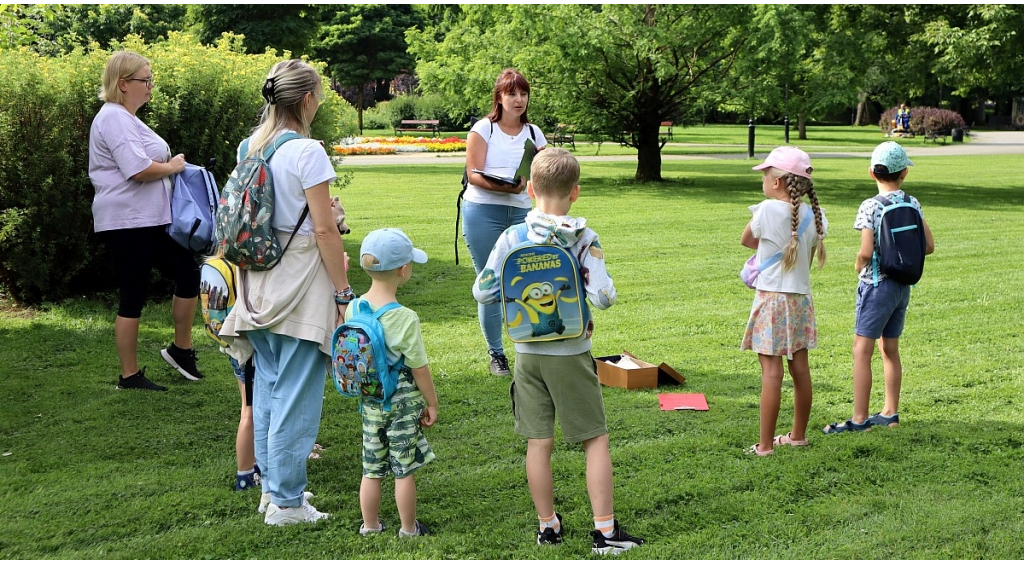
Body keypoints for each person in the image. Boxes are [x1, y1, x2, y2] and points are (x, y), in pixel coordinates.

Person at [473, 148, 645, 555]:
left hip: (526, 354)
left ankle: (547, 525)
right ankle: (605, 532)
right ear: (575, 192)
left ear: (530, 188)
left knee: (538, 442)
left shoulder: (512, 237)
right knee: (595, 439)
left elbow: (482, 291)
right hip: (571, 352)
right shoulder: (584, 237)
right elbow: (603, 297)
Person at [217, 59, 351, 526]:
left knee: (271, 387)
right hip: (299, 281)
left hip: (257, 281)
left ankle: (272, 491)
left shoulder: (249, 146)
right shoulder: (308, 152)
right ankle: (288, 503)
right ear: (308, 99)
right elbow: (324, 231)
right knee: (297, 393)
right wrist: (342, 290)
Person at [88, 51, 204, 392]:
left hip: (149, 220)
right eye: (145, 80)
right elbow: (137, 170)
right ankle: (129, 376)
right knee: (133, 294)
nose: (151, 86)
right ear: (123, 84)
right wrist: (173, 166)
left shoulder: (127, 117)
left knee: (188, 273)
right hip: (126, 221)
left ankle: (181, 350)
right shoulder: (112, 118)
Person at [823, 142, 934, 434]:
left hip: (876, 284)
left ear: (871, 173)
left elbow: (865, 249)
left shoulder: (871, 206)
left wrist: (859, 265)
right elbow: (929, 246)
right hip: (902, 286)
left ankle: (859, 419)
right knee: (890, 348)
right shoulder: (912, 203)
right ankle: (890, 412)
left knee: (862, 349)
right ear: (904, 173)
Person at [350, 228, 439, 539]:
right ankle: (408, 528)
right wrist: (431, 402)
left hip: (370, 400)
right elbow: (419, 368)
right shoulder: (405, 317)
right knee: (404, 470)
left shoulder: (354, 308)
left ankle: (370, 526)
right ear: (403, 270)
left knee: (371, 467)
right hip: (402, 402)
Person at [740, 147, 828, 456]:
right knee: (800, 369)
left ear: (777, 181)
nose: (763, 178)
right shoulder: (814, 215)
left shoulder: (765, 210)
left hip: (772, 300)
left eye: (766, 173)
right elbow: (813, 242)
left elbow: (747, 240)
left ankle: (765, 446)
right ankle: (797, 435)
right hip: (801, 300)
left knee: (771, 372)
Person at [462, 68, 548, 376]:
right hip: (484, 212)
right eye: (512, 93)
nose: (519, 99)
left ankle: (533, 347)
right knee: (490, 282)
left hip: (524, 213)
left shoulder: (535, 133)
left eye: (523, 93)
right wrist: (504, 187)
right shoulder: (483, 129)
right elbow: (473, 173)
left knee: (529, 280)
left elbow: (544, 174)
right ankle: (497, 355)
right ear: (499, 96)